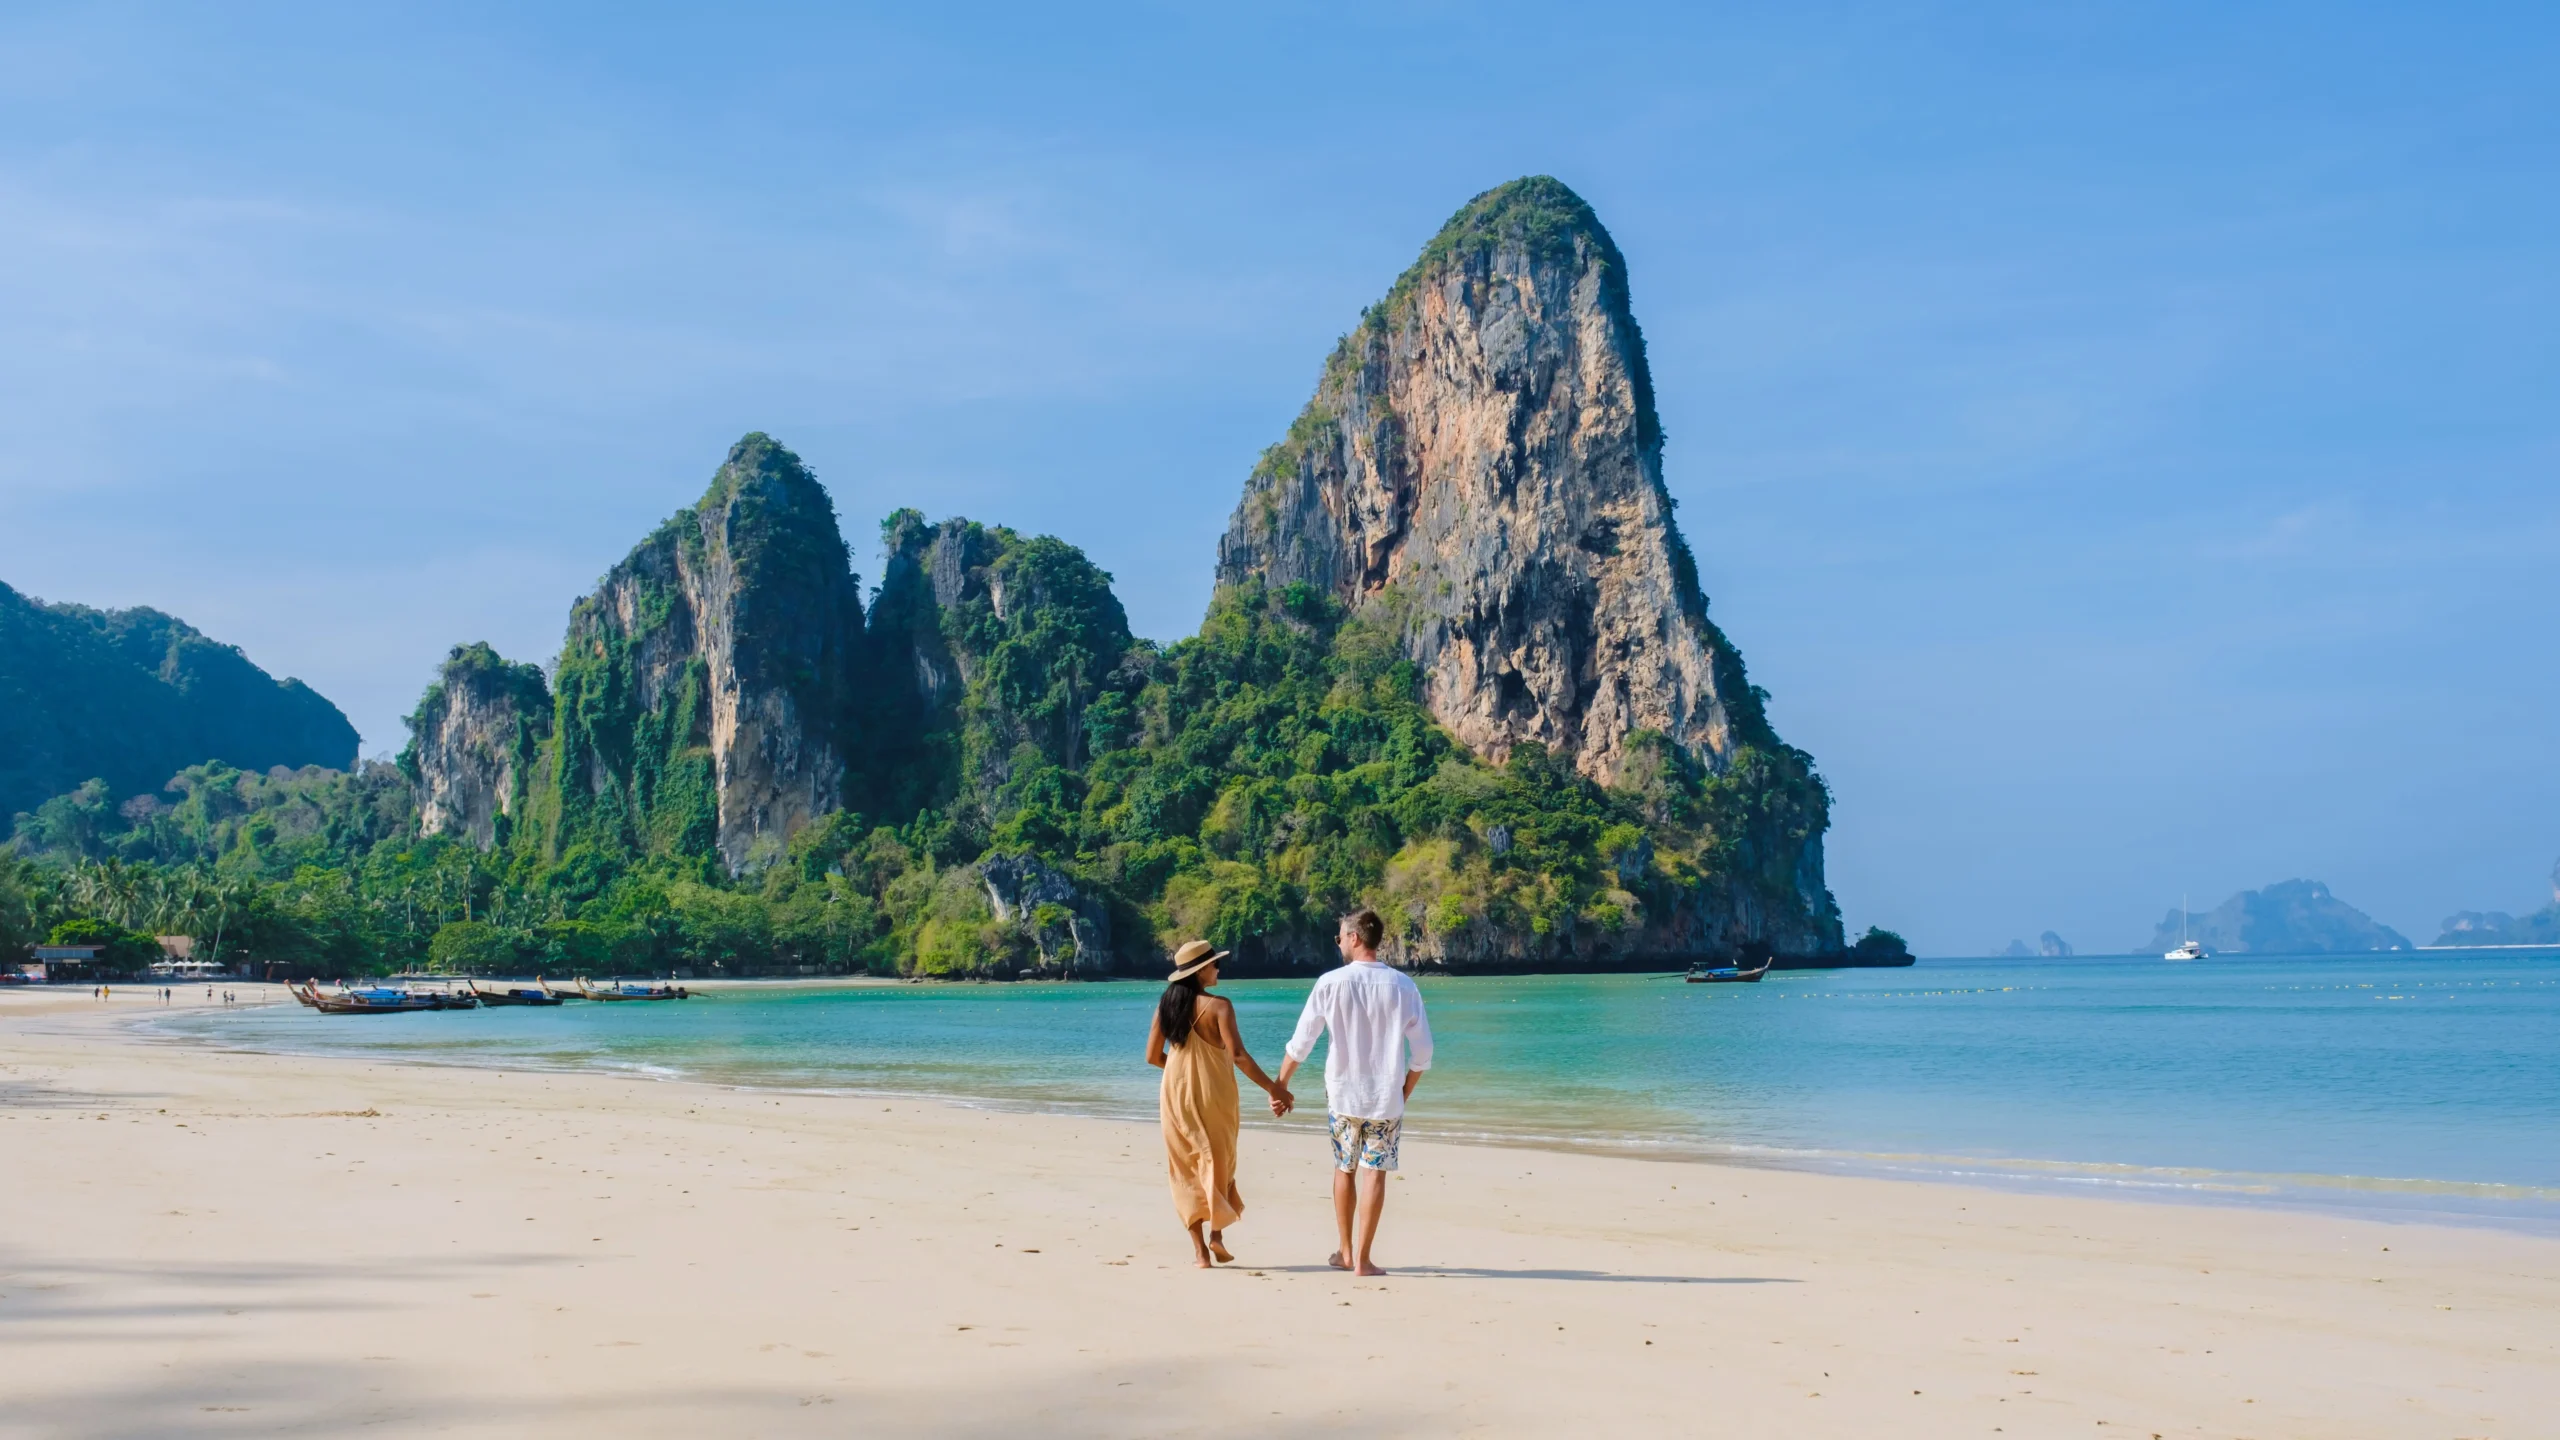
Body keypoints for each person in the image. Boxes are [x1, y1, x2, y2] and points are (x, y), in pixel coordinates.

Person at [1276, 908, 1434, 1278]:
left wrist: (1280, 1085)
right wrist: (1403, 1092)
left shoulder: (1330, 983)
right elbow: (1423, 1052)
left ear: (1354, 938)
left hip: (1344, 1097)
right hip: (1386, 1099)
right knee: (1374, 1174)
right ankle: (1363, 1259)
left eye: (1340, 937)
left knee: (1343, 1169)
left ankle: (1345, 1252)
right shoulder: (1403, 986)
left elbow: (1302, 1043)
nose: (1339, 943)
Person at [1146, 939, 1293, 1269]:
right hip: (1214, 1093)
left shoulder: (1165, 1007)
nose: (1218, 969)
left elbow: (1153, 1056)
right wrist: (1274, 1088)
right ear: (1200, 972)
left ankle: (1200, 1253)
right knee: (1218, 1160)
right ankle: (1217, 1235)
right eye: (1214, 965)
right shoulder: (1220, 1007)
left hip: (1174, 1094)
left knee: (1185, 1166)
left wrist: (1181, 1070)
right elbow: (1238, 1056)